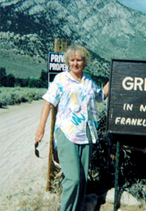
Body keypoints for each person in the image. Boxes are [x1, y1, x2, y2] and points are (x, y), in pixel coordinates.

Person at [35, 45, 109, 211]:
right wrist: (41, 129)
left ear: (85, 62)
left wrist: (115, 78)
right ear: (68, 61)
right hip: (67, 133)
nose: (75, 63)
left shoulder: (89, 81)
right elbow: (48, 104)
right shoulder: (61, 79)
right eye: (73, 60)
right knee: (73, 179)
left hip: (87, 133)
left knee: (82, 179)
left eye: (79, 60)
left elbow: (100, 96)